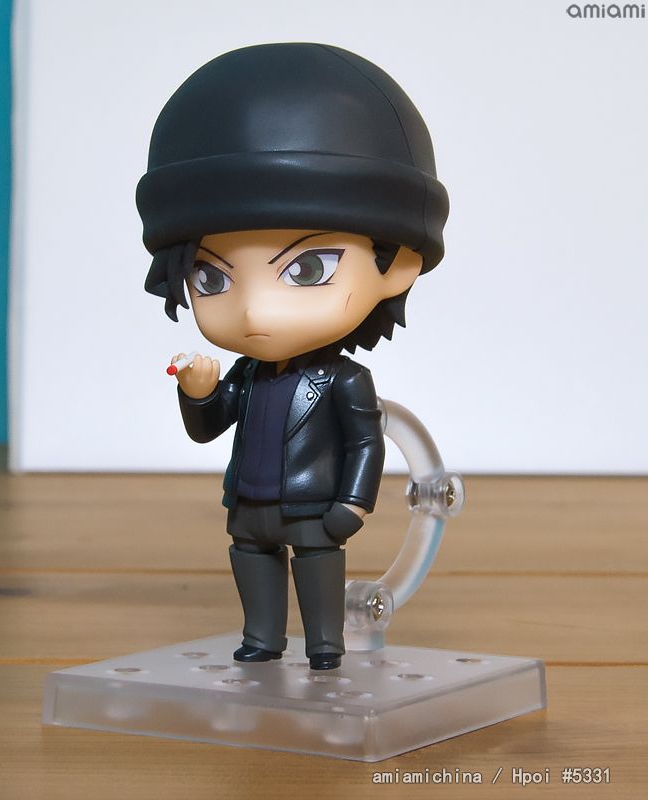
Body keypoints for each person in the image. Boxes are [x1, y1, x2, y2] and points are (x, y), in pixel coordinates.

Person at [136, 43, 449, 670]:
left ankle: (326, 645)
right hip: (249, 503)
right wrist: (199, 391)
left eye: (307, 269)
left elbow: (366, 443)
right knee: (251, 563)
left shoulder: (344, 379)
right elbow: (208, 427)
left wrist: (352, 505)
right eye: (212, 277)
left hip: (313, 505)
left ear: (397, 264)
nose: (255, 311)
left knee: (316, 571)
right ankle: (262, 638)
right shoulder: (247, 374)